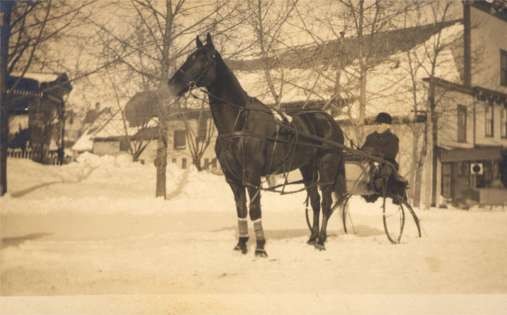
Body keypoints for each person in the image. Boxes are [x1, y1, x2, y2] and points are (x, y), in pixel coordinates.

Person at [361, 112, 407, 204]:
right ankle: (365, 187)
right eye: (377, 123)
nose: (377, 126)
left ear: (387, 126)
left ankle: (380, 187)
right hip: (369, 163)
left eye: (380, 124)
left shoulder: (392, 138)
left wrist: (376, 154)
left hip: (386, 163)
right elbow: (363, 150)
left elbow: (391, 153)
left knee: (385, 171)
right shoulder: (370, 137)